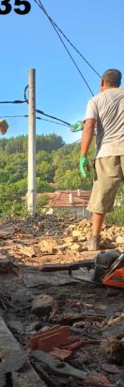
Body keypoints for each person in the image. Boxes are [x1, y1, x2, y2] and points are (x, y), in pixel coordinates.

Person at [80, 68, 124, 250]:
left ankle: (94, 240)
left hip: (107, 153)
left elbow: (90, 126)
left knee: (101, 198)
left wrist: (83, 155)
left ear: (102, 83)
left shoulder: (95, 100)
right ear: (119, 83)